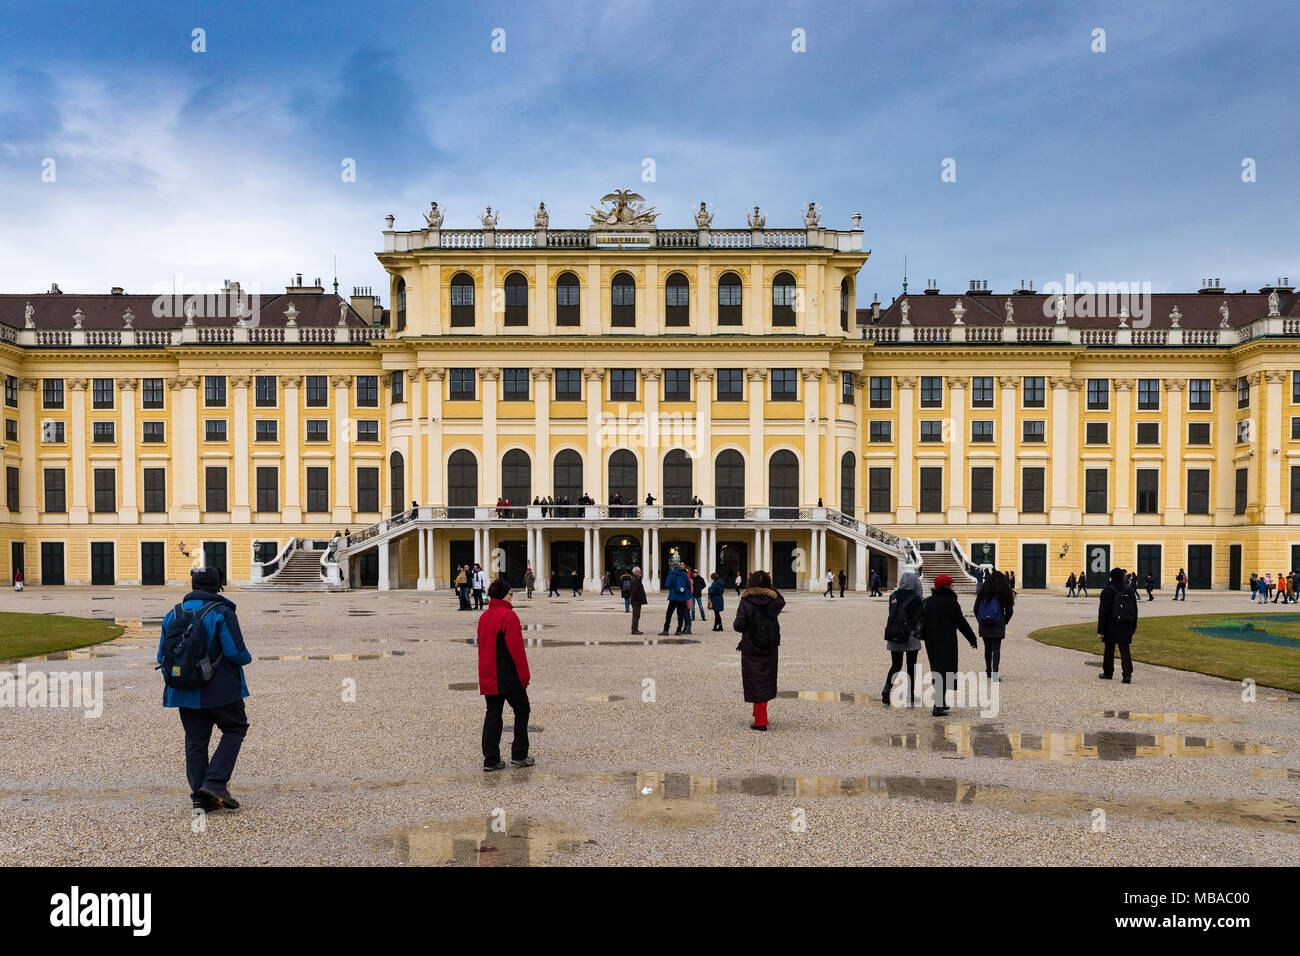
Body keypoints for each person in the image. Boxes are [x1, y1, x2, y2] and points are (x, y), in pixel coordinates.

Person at [158, 566, 252, 811]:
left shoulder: (173, 614)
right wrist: (247, 657)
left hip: (184, 689)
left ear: (193, 586)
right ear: (218, 586)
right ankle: (214, 782)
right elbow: (235, 652)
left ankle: (200, 796)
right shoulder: (222, 611)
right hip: (219, 689)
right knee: (235, 728)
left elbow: (161, 656)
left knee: (196, 740)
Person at [477, 579, 534, 771]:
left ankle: (491, 759)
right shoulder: (508, 616)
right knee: (522, 709)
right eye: (510, 593)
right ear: (503, 595)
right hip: (508, 675)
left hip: (489, 674)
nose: (511, 596)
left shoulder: (484, 617)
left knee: (493, 714)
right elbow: (516, 650)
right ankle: (519, 754)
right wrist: (524, 677)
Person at [733, 570, 785, 730]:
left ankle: (761, 721)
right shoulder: (773, 600)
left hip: (752, 644)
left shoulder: (746, 600)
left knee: (756, 680)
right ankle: (758, 714)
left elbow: (738, 625)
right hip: (769, 644)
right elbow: (781, 600)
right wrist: (770, 587)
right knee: (764, 679)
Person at [920, 573, 978, 716]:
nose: (954, 588)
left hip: (931, 641)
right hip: (947, 641)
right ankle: (937, 706)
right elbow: (960, 622)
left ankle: (942, 702)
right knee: (945, 671)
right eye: (952, 585)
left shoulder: (928, 601)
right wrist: (972, 638)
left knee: (937, 669)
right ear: (947, 586)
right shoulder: (951, 602)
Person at [882, 570, 924, 706]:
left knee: (896, 665)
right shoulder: (917, 599)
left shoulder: (893, 596)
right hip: (910, 635)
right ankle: (911, 694)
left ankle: (887, 688)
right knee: (911, 666)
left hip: (894, 632)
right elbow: (919, 618)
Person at [972, 570, 1015, 681]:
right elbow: (1009, 611)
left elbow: (976, 609)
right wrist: (1004, 621)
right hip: (998, 622)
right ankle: (995, 674)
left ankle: (989, 671)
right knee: (996, 649)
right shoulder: (1003, 590)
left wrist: (980, 620)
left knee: (987, 649)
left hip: (984, 622)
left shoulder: (983, 589)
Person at [1097, 567, 1137, 683]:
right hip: (1126, 624)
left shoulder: (1107, 590)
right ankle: (1127, 675)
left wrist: (1101, 630)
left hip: (1111, 624)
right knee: (1125, 650)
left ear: (1111, 577)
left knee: (1109, 649)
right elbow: (1134, 610)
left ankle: (1108, 672)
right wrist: (1134, 626)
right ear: (1122, 577)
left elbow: (1103, 612)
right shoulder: (1129, 590)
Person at [660, 561, 693, 635]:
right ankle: (678, 630)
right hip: (682, 597)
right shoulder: (684, 575)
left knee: (669, 614)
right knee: (680, 614)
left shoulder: (671, 574)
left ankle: (666, 630)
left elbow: (667, 585)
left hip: (673, 597)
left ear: (672, 567)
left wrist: (673, 588)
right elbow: (688, 585)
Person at [629, 567, 648, 634]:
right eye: (639, 571)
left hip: (636, 601)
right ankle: (634, 630)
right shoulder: (634, 580)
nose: (640, 573)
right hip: (636, 601)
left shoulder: (636, 579)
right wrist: (640, 599)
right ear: (636, 572)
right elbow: (635, 592)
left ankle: (634, 628)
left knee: (637, 615)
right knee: (636, 615)